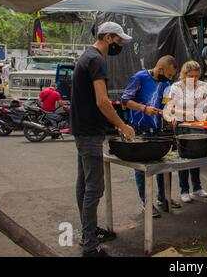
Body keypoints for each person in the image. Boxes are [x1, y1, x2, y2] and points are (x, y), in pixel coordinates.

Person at [71, 21, 135, 257]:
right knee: (94, 188)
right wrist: (122, 125)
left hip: (81, 129)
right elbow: (102, 101)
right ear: (108, 38)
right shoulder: (97, 60)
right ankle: (90, 245)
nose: (120, 46)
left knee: (84, 185)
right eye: (119, 41)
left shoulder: (85, 57)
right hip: (89, 133)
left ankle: (90, 232)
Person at [121, 55, 179, 218]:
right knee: (141, 170)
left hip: (157, 130)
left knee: (163, 165)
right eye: (168, 75)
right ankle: (146, 202)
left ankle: (164, 197)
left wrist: (170, 116)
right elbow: (125, 100)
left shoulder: (166, 84)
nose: (170, 79)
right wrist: (144, 108)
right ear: (160, 69)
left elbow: (165, 105)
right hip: (138, 129)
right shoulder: (139, 77)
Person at [164, 61, 207, 203]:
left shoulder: (203, 86)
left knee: (196, 156)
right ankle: (184, 190)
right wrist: (186, 113)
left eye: (197, 76)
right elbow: (169, 107)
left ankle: (197, 188)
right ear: (184, 74)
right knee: (184, 159)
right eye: (191, 76)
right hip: (181, 126)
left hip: (197, 125)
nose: (194, 79)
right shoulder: (175, 87)